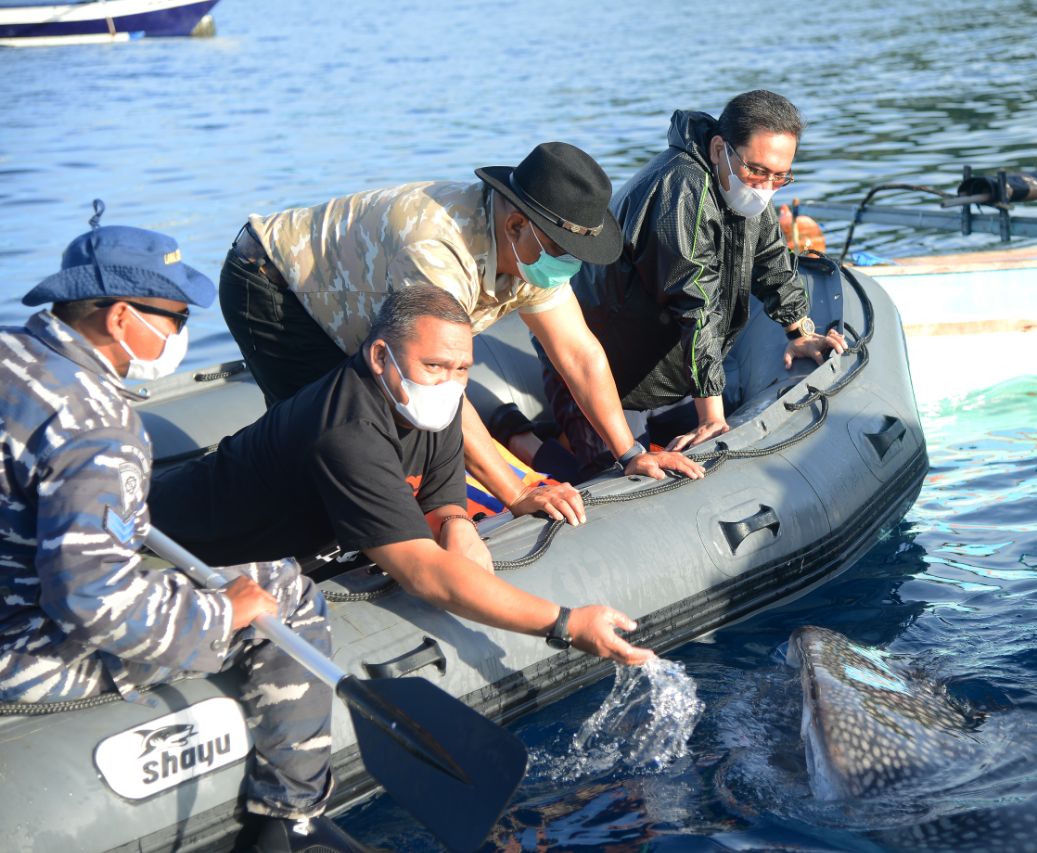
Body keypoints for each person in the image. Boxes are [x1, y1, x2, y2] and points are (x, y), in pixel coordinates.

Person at [0, 206, 359, 852]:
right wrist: (222, 615)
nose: (183, 333)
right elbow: (91, 601)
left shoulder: (14, 359)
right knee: (284, 589)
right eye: (176, 319)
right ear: (119, 318)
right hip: (29, 656)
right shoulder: (95, 425)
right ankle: (290, 815)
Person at [150, 284, 655, 667]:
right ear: (379, 356)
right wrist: (565, 623)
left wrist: (455, 520)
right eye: (436, 365)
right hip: (165, 549)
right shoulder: (347, 429)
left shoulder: (431, 404)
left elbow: (440, 492)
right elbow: (422, 572)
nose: (452, 381)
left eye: (463, 369)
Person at [219, 142, 703, 529]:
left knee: (391, 421)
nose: (570, 264)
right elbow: (440, 387)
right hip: (279, 284)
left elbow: (578, 353)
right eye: (565, 250)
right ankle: (283, 537)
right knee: (329, 430)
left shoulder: (532, 252)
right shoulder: (437, 253)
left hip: (361, 300)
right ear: (517, 224)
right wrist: (515, 491)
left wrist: (630, 453)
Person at [544, 91, 848, 478]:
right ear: (720, 148)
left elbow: (770, 256)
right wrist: (712, 417)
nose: (767, 186)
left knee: (731, 397)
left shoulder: (745, 182)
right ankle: (534, 444)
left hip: (665, 371)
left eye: (780, 176)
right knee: (611, 475)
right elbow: (695, 303)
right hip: (609, 374)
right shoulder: (681, 191)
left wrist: (799, 329)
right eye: (758, 171)